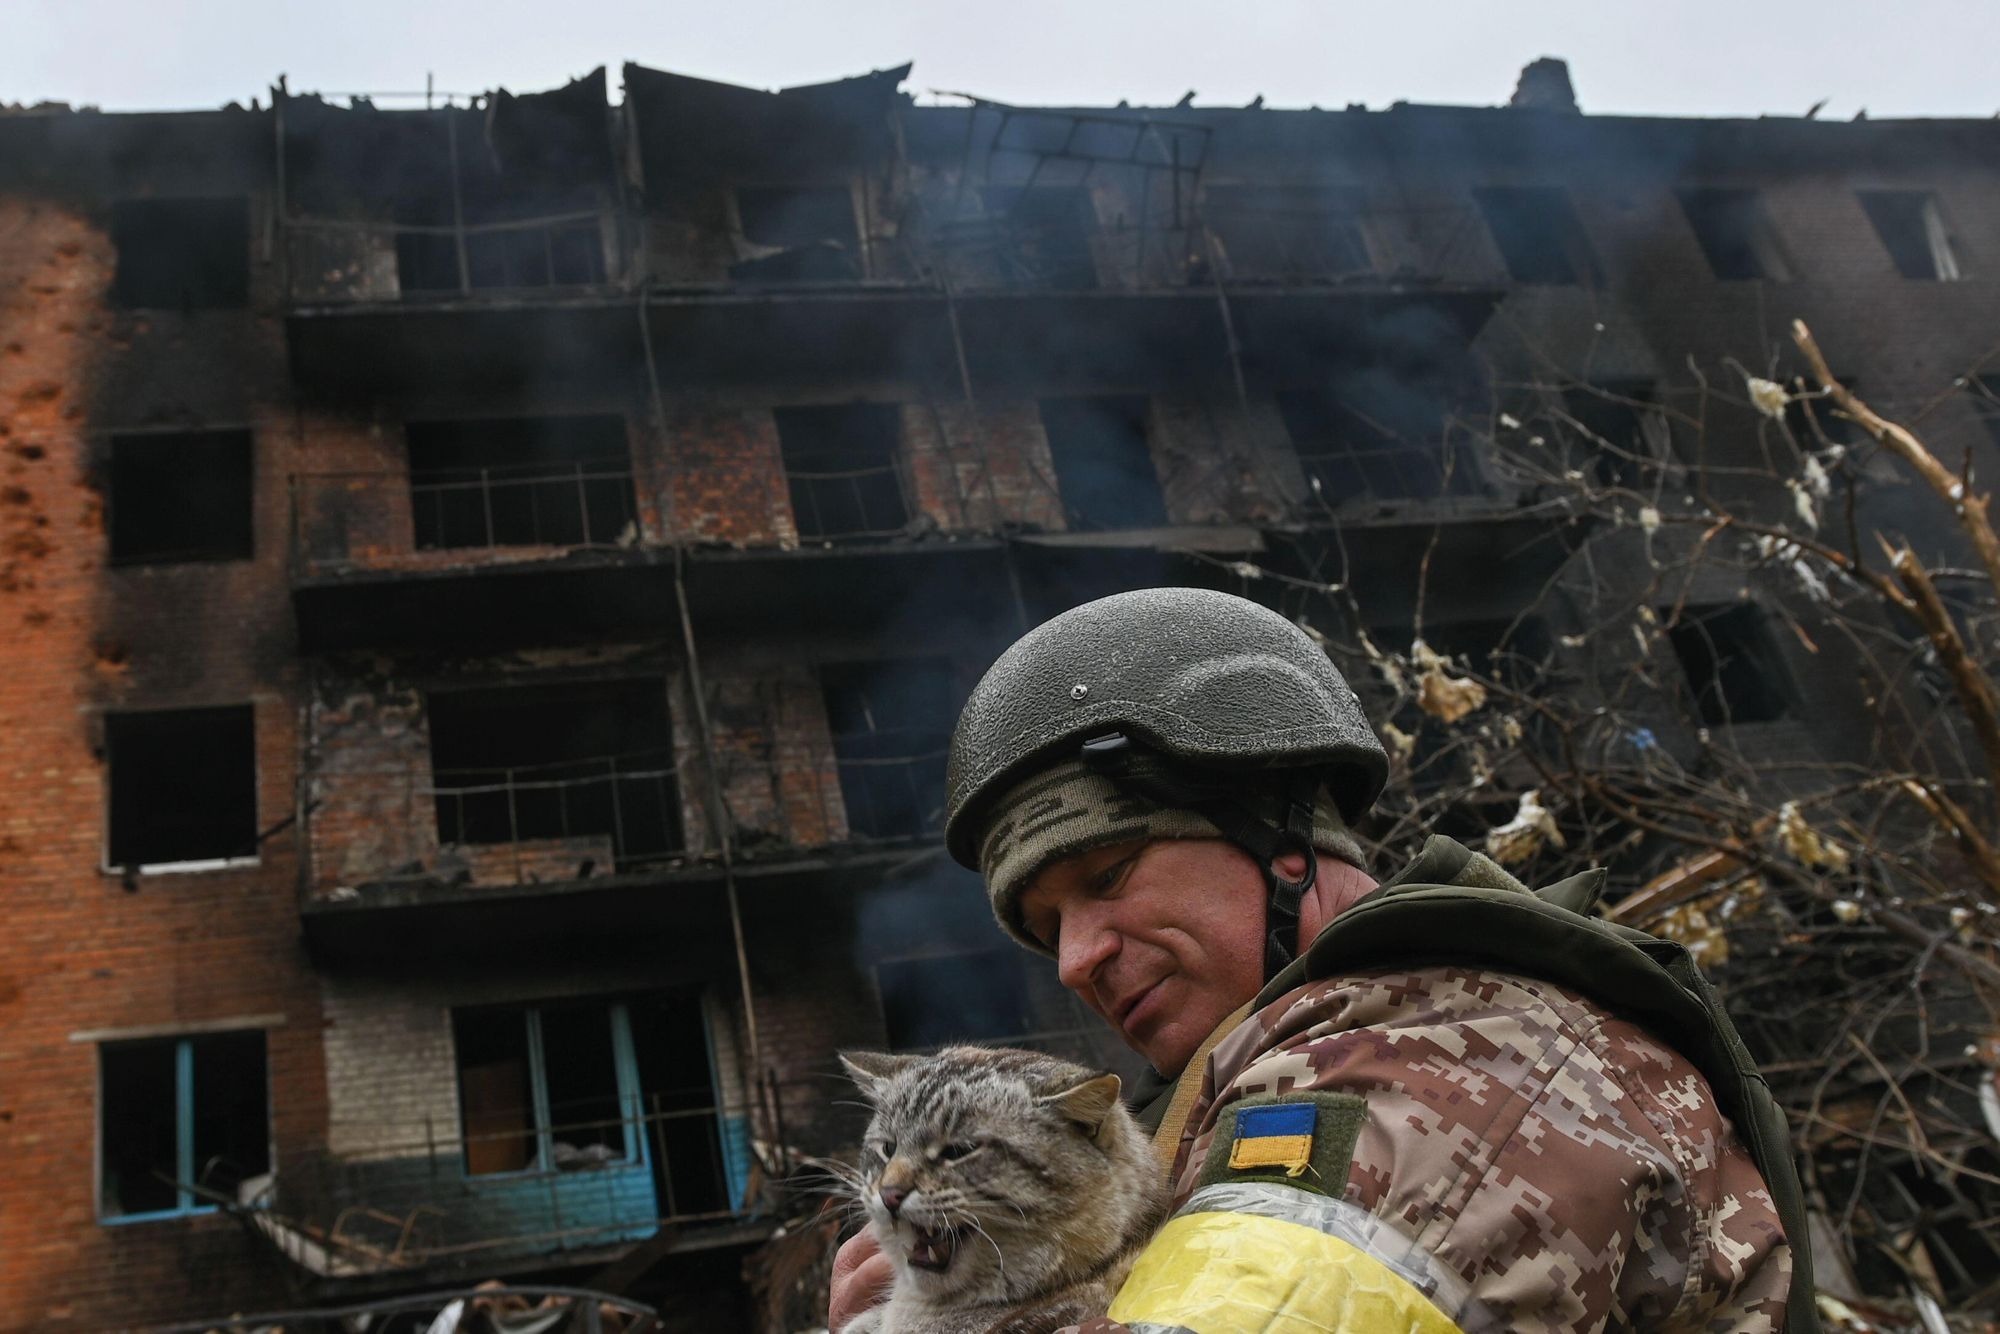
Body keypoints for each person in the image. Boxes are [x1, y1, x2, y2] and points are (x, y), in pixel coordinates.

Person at [831, 587, 1815, 1333]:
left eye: (1109, 871)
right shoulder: (1229, 1094)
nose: (1076, 958)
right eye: (1047, 928)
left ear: (1281, 827)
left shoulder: (1446, 1056)